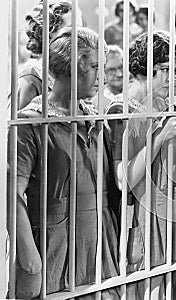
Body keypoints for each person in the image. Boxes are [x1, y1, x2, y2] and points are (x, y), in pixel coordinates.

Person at [9, 27, 120, 299]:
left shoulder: (95, 118)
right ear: (71, 66)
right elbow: (12, 193)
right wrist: (30, 261)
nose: (103, 77)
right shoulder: (32, 121)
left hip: (99, 241)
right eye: (95, 66)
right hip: (53, 245)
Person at [106, 31, 176, 300]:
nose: (173, 78)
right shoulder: (122, 109)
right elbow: (123, 179)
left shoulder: (160, 104)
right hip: (140, 218)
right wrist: (161, 137)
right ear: (147, 69)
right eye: (167, 70)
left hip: (167, 211)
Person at [10, 1, 83, 112]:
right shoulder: (30, 80)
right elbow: (19, 126)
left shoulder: (70, 70)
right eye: (70, 29)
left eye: (80, 29)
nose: (80, 36)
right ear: (47, 33)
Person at [90, 45, 124, 111]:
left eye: (121, 67)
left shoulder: (134, 93)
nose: (119, 74)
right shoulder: (97, 102)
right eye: (112, 70)